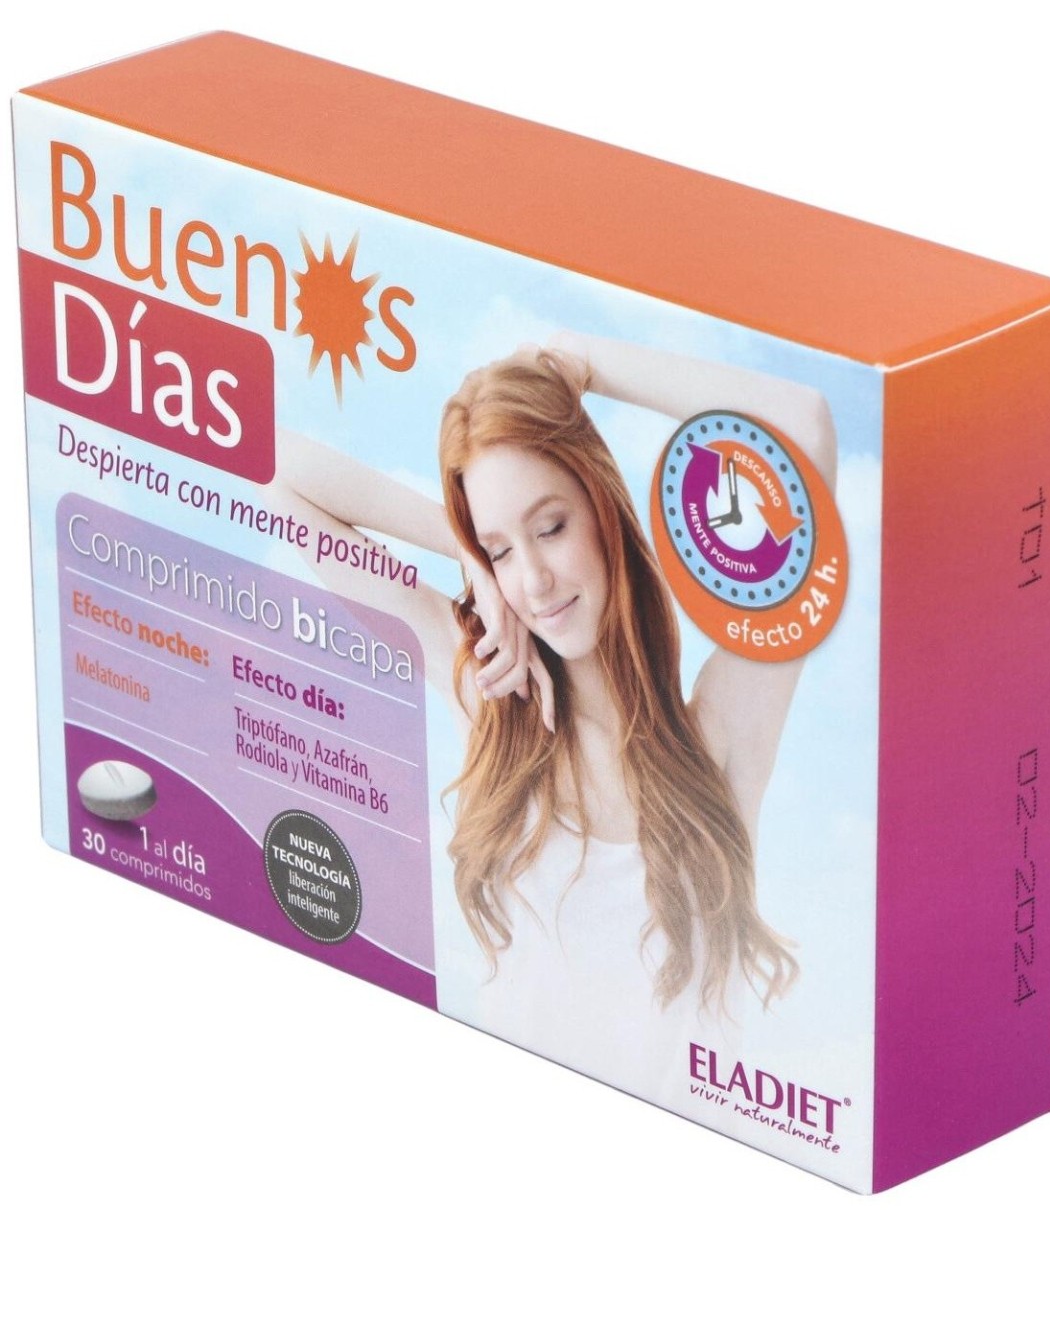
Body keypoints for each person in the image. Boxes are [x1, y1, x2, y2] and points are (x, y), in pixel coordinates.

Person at [277, 332, 837, 1101]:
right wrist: (467, 553)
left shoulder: (720, 736)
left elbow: (805, 430)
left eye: (550, 527)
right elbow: (273, 469)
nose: (535, 581)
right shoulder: (488, 698)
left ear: (601, 507)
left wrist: (578, 360)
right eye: (504, 550)